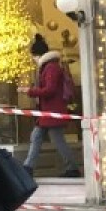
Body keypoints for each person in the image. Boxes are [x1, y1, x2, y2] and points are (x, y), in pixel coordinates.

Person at [23, 33, 80, 177]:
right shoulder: (50, 66)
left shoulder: (51, 68)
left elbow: (50, 90)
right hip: (48, 113)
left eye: (33, 56)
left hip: (51, 112)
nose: (33, 60)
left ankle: (72, 168)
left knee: (56, 140)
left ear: (38, 55)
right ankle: (28, 167)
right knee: (38, 137)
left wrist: (29, 91)